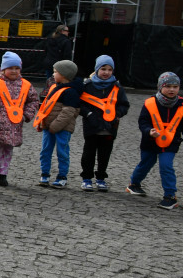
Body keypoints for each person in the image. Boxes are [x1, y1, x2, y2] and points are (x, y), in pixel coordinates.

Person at [0, 52, 40, 186]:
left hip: (15, 125)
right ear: (3, 69)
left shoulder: (26, 85)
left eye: (17, 68)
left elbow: (33, 101)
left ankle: (3, 174)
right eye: (11, 68)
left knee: (8, 151)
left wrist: (26, 115)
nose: (14, 71)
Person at [126, 72, 182, 209]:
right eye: (168, 86)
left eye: (175, 86)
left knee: (166, 166)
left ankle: (170, 196)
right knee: (146, 163)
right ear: (160, 87)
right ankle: (134, 184)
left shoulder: (181, 104)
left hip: (170, 143)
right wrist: (148, 131)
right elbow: (143, 121)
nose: (172, 89)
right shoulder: (150, 103)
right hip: (150, 141)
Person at [78, 55, 130, 191]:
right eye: (103, 69)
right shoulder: (87, 86)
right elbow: (80, 104)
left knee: (104, 155)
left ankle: (101, 178)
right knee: (88, 154)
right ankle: (87, 178)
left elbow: (124, 105)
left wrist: (117, 114)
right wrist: (88, 114)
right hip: (92, 126)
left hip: (109, 127)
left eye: (109, 70)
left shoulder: (117, 87)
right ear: (96, 69)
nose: (106, 72)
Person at [35, 60, 82, 189]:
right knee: (45, 151)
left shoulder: (71, 92)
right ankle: (45, 174)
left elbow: (68, 112)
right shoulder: (55, 87)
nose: (53, 75)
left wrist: (55, 126)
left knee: (62, 152)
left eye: (56, 72)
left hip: (62, 128)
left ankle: (62, 176)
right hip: (49, 127)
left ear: (64, 75)